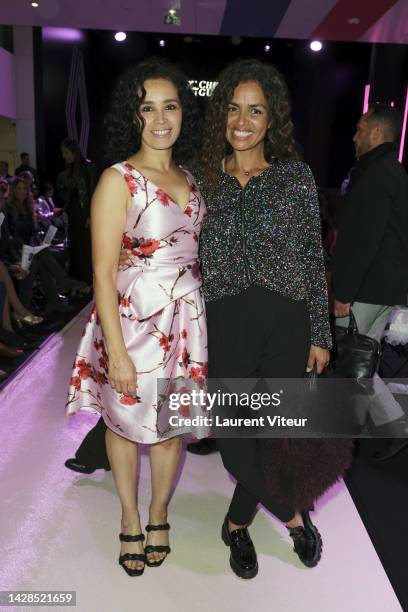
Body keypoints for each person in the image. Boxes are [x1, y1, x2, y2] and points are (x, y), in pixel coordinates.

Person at [66, 59, 352, 578]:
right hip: (221, 325)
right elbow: (117, 262)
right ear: (219, 114)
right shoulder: (207, 179)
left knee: (270, 430)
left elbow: (313, 257)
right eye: (234, 109)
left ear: (272, 119)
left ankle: (238, 523)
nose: (243, 120)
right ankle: (291, 515)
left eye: (256, 111)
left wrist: (318, 332)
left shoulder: (292, 177)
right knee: (235, 441)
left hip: (283, 323)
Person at [66, 58, 207, 577]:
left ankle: (159, 513)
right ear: (134, 116)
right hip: (132, 322)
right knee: (124, 425)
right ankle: (128, 517)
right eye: (148, 108)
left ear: (183, 113)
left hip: (186, 322)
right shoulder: (117, 179)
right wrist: (116, 350)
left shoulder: (192, 179)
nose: (161, 118)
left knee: (170, 429)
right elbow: (102, 273)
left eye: (170, 106)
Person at [333, 104, 408, 461]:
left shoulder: (377, 173)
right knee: (362, 357)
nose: (354, 136)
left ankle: (344, 437)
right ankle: (390, 426)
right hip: (383, 287)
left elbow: (362, 239)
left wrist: (344, 291)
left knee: (353, 358)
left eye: (360, 129)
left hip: (366, 287)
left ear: (376, 133)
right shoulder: (392, 171)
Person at [5, 178, 86, 313]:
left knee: (42, 257)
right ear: (13, 191)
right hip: (16, 252)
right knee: (39, 259)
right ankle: (61, 284)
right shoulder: (6, 210)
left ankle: (51, 303)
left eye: (25, 188)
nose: (22, 191)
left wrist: (42, 242)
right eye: (19, 188)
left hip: (29, 249)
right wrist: (20, 252)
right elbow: (9, 238)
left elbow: (32, 232)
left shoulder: (28, 208)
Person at [60, 138, 96, 284]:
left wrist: (90, 214)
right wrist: (64, 211)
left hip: (84, 213)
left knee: (85, 248)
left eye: (66, 152)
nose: (64, 156)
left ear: (74, 152)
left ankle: (87, 281)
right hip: (74, 213)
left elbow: (93, 191)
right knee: (74, 247)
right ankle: (78, 282)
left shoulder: (87, 167)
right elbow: (70, 194)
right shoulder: (69, 170)